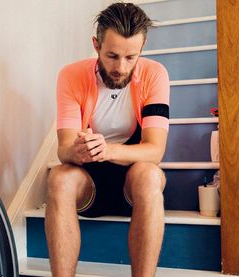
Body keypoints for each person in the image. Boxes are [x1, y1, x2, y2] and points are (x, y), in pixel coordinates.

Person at [45, 3, 169, 276]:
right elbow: (63, 150)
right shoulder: (71, 75)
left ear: (142, 47)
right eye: (112, 56)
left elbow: (155, 151)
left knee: (150, 175)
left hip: (133, 182)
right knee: (58, 177)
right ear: (96, 45)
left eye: (130, 57)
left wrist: (108, 150)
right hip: (88, 184)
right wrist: (76, 151)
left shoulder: (155, 74)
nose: (121, 68)